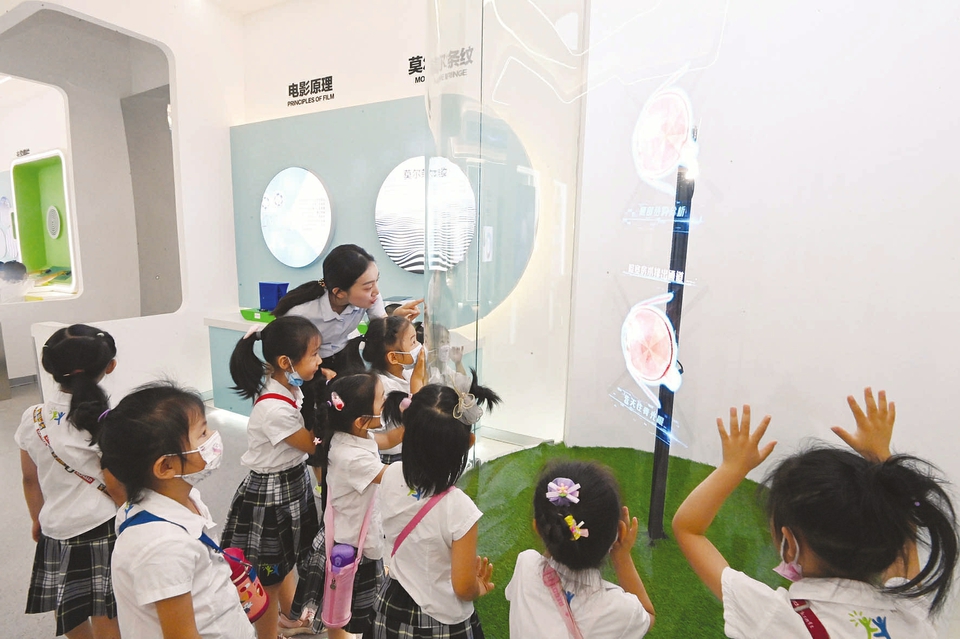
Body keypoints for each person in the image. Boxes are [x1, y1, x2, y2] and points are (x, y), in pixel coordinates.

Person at [672, 389, 959, 638]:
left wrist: (731, 468)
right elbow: (902, 542)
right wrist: (881, 459)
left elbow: (688, 528)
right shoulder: (912, 614)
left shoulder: (776, 618)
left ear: (790, 544)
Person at [99, 382, 255, 639]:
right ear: (166, 467)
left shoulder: (183, 497)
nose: (213, 436)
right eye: (202, 434)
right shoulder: (162, 547)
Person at [372, 371, 500, 638]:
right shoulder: (460, 509)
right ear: (468, 443)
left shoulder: (391, 475)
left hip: (392, 602)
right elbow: (463, 586)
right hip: (443, 619)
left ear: (406, 434)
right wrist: (478, 587)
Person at [16, 324, 123, 639]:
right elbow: (115, 485)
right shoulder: (107, 421)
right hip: (103, 523)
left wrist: (37, 518)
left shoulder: (32, 417)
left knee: (69, 604)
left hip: (55, 527)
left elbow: (29, 478)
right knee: (105, 608)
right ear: (109, 367)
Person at [222, 315, 324, 639]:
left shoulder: (287, 385)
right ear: (285, 362)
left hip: (293, 482)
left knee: (286, 558)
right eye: (314, 354)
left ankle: (289, 615)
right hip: (273, 494)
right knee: (270, 575)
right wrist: (324, 401)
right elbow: (312, 445)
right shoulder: (274, 409)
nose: (320, 361)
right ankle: (267, 633)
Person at [290, 372, 405, 638]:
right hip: (351, 546)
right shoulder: (352, 457)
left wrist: (413, 423)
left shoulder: (355, 435)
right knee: (341, 612)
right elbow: (393, 476)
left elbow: (388, 440)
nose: (386, 402)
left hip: (353, 536)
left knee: (342, 609)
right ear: (361, 420)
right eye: (382, 400)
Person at [506, 460, 656, 638]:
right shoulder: (621, 609)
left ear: (537, 527)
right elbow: (647, 615)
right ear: (619, 532)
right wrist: (621, 557)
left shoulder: (526, 565)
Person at [359, 315, 426, 463]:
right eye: (413, 342)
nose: (420, 346)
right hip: (393, 458)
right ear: (394, 358)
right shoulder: (381, 387)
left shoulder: (407, 372)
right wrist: (416, 380)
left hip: (410, 450)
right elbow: (417, 415)